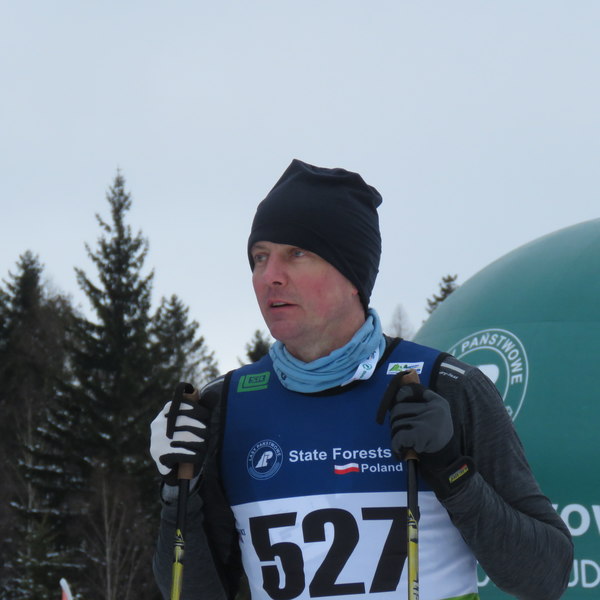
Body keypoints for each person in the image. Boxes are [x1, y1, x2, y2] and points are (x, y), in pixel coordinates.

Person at [150, 159, 573, 600]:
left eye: (297, 254)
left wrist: (452, 470)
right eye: (260, 257)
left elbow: (545, 576)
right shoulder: (227, 404)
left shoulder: (444, 386)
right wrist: (178, 492)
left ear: (352, 274)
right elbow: (191, 592)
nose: (270, 276)